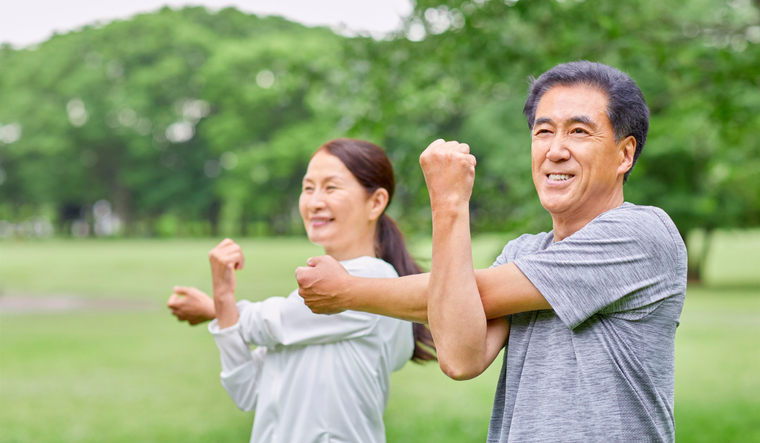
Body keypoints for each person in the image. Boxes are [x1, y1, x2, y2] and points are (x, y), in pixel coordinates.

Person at [296, 61, 687, 443]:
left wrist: (446, 205)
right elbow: (461, 355)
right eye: (543, 131)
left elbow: (471, 295)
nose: (555, 150)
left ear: (624, 154)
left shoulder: (641, 234)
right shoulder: (524, 250)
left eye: (579, 131)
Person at [167, 139, 435, 443]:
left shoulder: (372, 280)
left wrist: (217, 305)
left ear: (375, 202)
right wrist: (224, 300)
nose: (315, 202)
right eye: (308, 188)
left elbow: (269, 321)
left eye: (331, 188)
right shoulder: (312, 308)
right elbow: (246, 390)